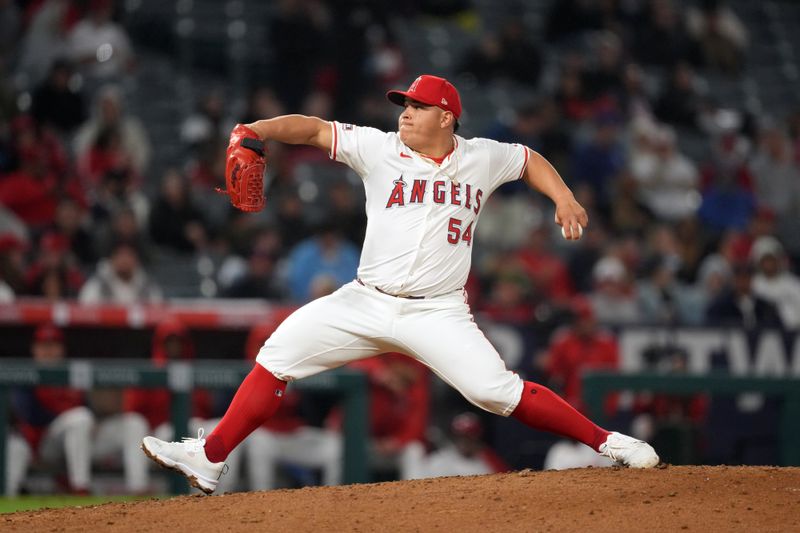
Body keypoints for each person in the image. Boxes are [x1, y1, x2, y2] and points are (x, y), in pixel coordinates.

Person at [141, 74, 659, 495]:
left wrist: (563, 197)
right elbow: (315, 130)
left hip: (437, 312)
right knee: (277, 354)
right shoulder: (379, 149)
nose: (404, 113)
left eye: (415, 106)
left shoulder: (481, 156)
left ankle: (609, 443)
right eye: (402, 105)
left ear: (446, 117)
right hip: (364, 299)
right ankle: (209, 459)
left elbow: (529, 160)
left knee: (494, 391)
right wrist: (260, 127)